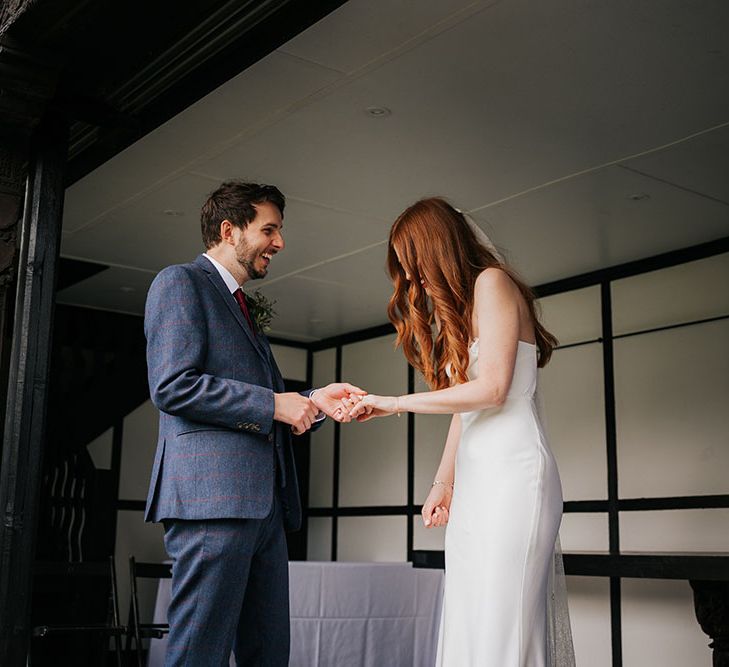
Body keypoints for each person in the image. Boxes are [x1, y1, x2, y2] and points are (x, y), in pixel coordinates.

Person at [144, 180, 364, 666]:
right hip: (212, 504)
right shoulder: (178, 282)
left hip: (266, 508)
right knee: (199, 651)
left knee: (268, 652)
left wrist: (314, 400)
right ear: (229, 230)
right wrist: (273, 404)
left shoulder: (243, 306)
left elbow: (271, 402)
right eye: (270, 230)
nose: (280, 243)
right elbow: (172, 386)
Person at [348, 197, 573, 666]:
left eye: (413, 264)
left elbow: (491, 390)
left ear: (439, 248)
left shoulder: (493, 283)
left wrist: (393, 403)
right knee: (469, 617)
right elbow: (463, 409)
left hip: (514, 476)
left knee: (502, 622)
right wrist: (443, 482)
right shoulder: (465, 308)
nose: (411, 279)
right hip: (477, 481)